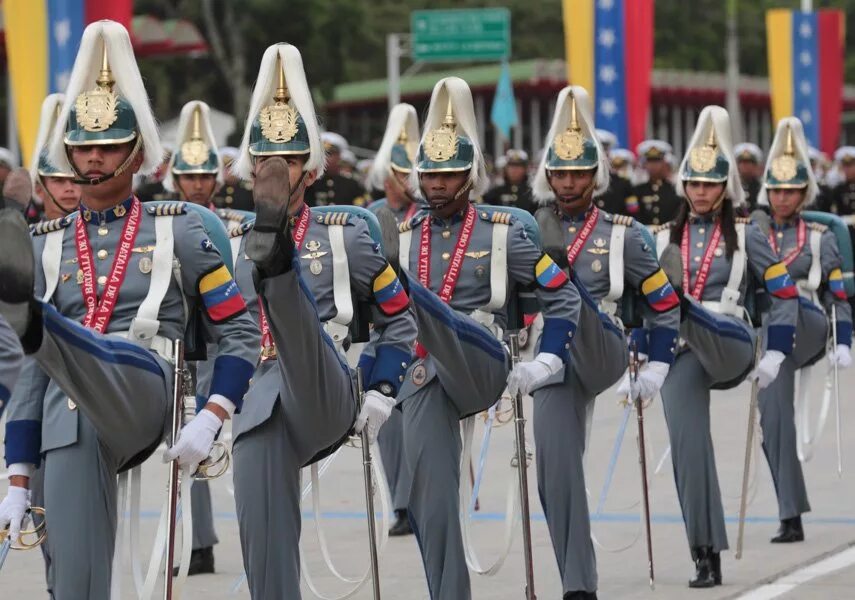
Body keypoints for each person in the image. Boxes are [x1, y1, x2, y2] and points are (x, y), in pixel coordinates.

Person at [0, 21, 258, 598]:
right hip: (73, 408)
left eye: (108, 146)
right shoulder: (47, 242)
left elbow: (238, 332)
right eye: (84, 147)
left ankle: (36, 320)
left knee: (76, 345)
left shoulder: (183, 228)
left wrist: (213, 414)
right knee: (73, 578)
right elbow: (31, 378)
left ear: (136, 152)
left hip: (148, 384)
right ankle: (34, 319)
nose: (93, 159)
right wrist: (18, 477)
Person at [228, 42, 416, 599]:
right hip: (260, 394)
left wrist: (383, 388)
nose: (276, 172)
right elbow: (219, 335)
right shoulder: (230, 242)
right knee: (261, 533)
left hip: (327, 381)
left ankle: (278, 258)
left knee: (294, 315)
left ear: (308, 171)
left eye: (286, 164)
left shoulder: (347, 234)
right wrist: (211, 408)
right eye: (266, 164)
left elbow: (398, 319)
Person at [396, 76, 581, 599]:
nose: (435, 186)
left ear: (469, 176)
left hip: (484, 356)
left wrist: (547, 361)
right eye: (428, 176)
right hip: (425, 368)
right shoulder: (405, 238)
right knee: (429, 500)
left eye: (447, 175)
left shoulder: (503, 231)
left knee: (432, 309)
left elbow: (563, 297)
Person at [531, 86, 680, 600]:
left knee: (572, 303)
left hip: (604, 344)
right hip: (550, 356)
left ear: (597, 177)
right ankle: (578, 585)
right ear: (548, 175)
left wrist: (659, 366)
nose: (569, 183)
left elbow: (663, 304)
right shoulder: (528, 231)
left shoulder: (625, 233)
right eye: (560, 173)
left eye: (579, 174)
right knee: (552, 467)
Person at [648, 106, 799, 588]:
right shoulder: (660, 238)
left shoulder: (749, 234)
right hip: (684, 349)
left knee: (687, 310)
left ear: (725, 187)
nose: (700, 191)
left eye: (710, 184)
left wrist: (775, 350)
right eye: (693, 183)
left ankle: (684, 305)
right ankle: (705, 550)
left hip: (731, 339)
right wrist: (641, 352)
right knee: (687, 443)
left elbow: (783, 292)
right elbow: (639, 306)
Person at [751, 117, 852, 544]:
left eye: (790, 191)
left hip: (808, 324)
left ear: (804, 193)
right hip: (769, 335)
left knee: (785, 307)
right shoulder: (751, 232)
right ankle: (789, 512)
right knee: (772, 420)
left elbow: (837, 295)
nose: (782, 198)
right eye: (775, 190)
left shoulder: (819, 236)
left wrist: (844, 340)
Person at [163, 99, 228, 575]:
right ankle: (198, 541)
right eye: (190, 177)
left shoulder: (236, 226)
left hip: (231, 346)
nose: (198, 184)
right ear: (177, 181)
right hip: (184, 347)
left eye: (205, 177)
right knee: (189, 441)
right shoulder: (162, 229)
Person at [364, 102, 424, 536]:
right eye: (391, 173)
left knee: (419, 424)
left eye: (403, 175)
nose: (395, 182)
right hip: (384, 328)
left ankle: (417, 499)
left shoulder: (423, 218)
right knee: (386, 423)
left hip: (423, 328)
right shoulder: (368, 217)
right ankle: (401, 503)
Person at [29, 94, 82, 221]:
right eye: (58, 180)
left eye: (75, 180)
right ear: (39, 190)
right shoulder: (26, 239)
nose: (69, 188)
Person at [304, 131, 370, 206]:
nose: (324, 158)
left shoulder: (351, 184)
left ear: (339, 157)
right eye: (321, 154)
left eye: (329, 154)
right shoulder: (308, 182)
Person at [633, 140, 681, 226]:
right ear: (644, 164)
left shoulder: (675, 189)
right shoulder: (638, 190)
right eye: (650, 161)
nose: (653, 165)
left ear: (664, 163)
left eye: (657, 161)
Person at [482, 148, 536, 213]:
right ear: (506, 168)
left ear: (525, 169)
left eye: (518, 166)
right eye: (511, 166)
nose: (514, 170)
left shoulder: (533, 194)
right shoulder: (496, 192)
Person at [734, 142, 763, 211]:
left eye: (749, 162)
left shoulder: (762, 187)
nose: (745, 166)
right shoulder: (732, 186)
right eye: (742, 162)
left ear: (756, 165)